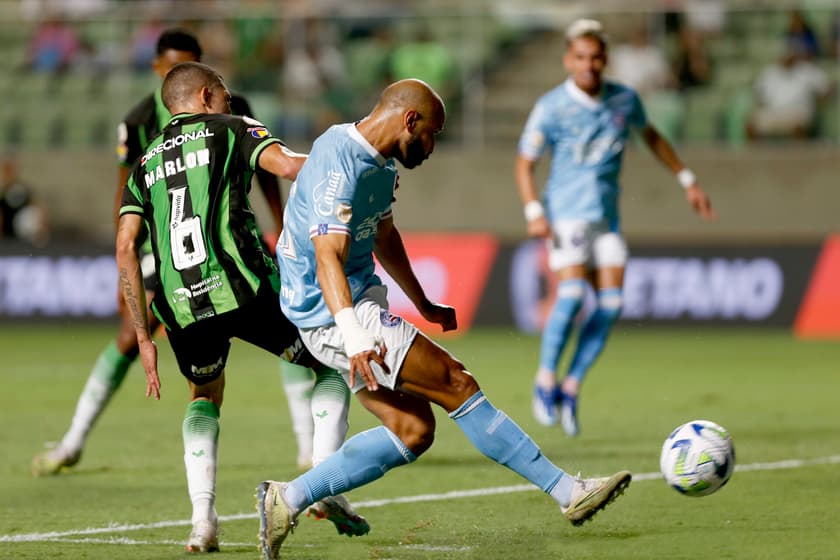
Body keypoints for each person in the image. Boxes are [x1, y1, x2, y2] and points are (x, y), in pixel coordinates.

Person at [253, 78, 632, 560]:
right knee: (456, 381)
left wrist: (422, 300)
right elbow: (327, 255)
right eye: (433, 133)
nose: (432, 146)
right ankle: (567, 493)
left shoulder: (382, 166)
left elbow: (384, 235)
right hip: (332, 314)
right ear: (410, 121)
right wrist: (352, 336)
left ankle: (285, 499)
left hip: (350, 307)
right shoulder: (338, 158)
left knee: (414, 431)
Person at [31, 28, 325, 478]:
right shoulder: (138, 120)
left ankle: (305, 445)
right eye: (170, 65)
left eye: (185, 63)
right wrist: (123, 271)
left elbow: (265, 171)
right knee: (135, 336)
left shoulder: (234, 111)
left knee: (275, 323)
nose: (175, 72)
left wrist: (279, 221)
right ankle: (73, 439)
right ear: (157, 68)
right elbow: (123, 195)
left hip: (219, 236)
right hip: (158, 244)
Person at [117, 61, 367, 553]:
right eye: (227, 96)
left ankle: (201, 523)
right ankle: (322, 486)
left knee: (204, 396)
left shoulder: (145, 162)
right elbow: (294, 167)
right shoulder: (231, 128)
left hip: (180, 305)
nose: (231, 103)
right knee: (332, 366)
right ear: (207, 95)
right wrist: (357, 152)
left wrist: (144, 337)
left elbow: (125, 244)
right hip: (246, 286)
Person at [514, 19, 714, 436]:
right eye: (581, 57)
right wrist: (534, 210)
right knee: (570, 295)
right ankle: (545, 379)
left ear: (605, 59)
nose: (589, 64)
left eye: (596, 57)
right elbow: (524, 162)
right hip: (567, 213)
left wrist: (687, 179)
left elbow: (653, 136)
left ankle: (571, 387)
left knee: (610, 306)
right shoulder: (552, 106)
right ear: (569, 60)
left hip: (606, 219)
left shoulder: (624, 99)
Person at [746, 43, 832, 141]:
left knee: (798, 125)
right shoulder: (770, 71)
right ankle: (756, 155)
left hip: (799, 110)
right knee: (751, 125)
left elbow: (826, 88)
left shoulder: (808, 70)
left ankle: (800, 155)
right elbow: (757, 93)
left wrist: (819, 102)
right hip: (773, 110)